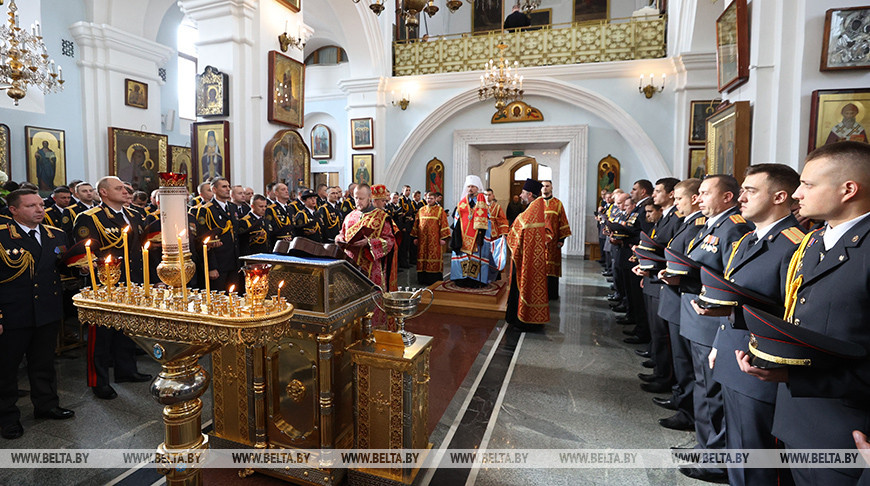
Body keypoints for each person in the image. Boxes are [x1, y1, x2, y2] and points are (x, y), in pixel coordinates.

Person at [737, 141, 870, 485]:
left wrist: (796, 377)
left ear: (848, 190)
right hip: (798, 417)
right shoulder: (813, 242)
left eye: (808, 185)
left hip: (848, 428)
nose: (797, 194)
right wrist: (770, 355)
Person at [690, 164, 802, 486]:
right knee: (738, 451)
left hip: (760, 366)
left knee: (759, 461)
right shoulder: (748, 240)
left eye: (750, 190)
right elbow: (734, 298)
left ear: (780, 196)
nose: (741, 197)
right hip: (732, 355)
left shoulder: (794, 244)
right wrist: (718, 344)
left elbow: (788, 314)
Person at [676, 174, 753, 482]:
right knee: (703, 387)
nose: (699, 198)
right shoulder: (712, 225)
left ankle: (714, 457)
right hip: (699, 317)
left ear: (727, 197)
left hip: (712, 321)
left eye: (706, 193)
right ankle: (703, 445)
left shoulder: (733, 227)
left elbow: (728, 278)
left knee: (711, 392)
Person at [0, 189, 74, 440]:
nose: (39, 210)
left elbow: (64, 267)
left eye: (41, 205)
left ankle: (46, 405)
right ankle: (7, 416)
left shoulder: (56, 234)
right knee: (6, 368)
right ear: (13, 210)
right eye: (31, 206)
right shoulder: (2, 237)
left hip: (46, 310)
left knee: (43, 363)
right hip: (12, 312)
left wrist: (84, 268)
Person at [74, 176, 151, 400]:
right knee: (101, 335)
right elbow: (86, 252)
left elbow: (141, 249)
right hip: (105, 283)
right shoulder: (90, 218)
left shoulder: (135, 215)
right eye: (119, 188)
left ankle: (126, 370)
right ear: (104, 192)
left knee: (127, 327)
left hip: (133, 278)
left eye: (126, 188)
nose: (126, 191)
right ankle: (99, 381)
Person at [653, 179, 705, 431]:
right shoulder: (689, 224)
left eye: (680, 199)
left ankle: (687, 411)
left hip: (686, 297)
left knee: (685, 361)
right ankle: (681, 399)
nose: (676, 203)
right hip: (677, 295)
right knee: (680, 357)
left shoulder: (698, 225)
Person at [634, 178, 682, 396]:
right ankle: (659, 370)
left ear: (670, 194)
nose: (653, 195)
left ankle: (665, 378)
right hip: (655, 276)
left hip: (664, 279)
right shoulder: (667, 216)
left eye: (658, 191)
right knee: (658, 331)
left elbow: (669, 249)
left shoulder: (676, 218)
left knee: (665, 335)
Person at [336, 184, 397, 325]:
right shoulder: (350, 216)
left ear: (370, 197)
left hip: (372, 268)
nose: (358, 202)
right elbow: (342, 233)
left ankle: (373, 331)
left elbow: (389, 241)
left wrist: (369, 243)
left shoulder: (382, 217)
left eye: (361, 198)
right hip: (350, 268)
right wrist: (338, 239)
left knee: (373, 303)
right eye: (356, 198)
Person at [505, 179, 553, 328]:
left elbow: (520, 230)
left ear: (530, 194)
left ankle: (525, 319)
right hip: (531, 255)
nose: (520, 195)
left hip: (529, 256)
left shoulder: (535, 209)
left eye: (523, 192)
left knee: (525, 284)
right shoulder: (535, 207)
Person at [450, 175, 505, 287]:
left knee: (477, 258)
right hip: (463, 236)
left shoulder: (482, 203)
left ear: (477, 188)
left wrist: (483, 235)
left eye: (473, 187)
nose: (470, 189)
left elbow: (488, 220)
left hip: (478, 237)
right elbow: (456, 220)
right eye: (469, 186)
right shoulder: (462, 203)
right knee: (463, 258)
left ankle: (476, 280)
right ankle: (461, 278)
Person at [190, 177, 240, 292]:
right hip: (219, 263)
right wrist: (211, 267)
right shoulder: (206, 210)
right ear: (214, 189)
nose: (228, 189)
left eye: (228, 186)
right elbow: (204, 240)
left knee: (234, 297)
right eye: (224, 187)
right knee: (219, 298)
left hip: (234, 261)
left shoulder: (232, 207)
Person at [540, 181, 571, 300]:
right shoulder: (536, 204)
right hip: (540, 243)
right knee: (540, 268)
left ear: (552, 187)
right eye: (543, 186)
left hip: (553, 243)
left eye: (547, 186)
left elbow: (563, 222)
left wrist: (561, 240)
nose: (545, 188)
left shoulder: (558, 204)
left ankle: (552, 294)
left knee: (552, 269)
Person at [412, 191, 450, 285]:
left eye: (431, 198)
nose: (429, 200)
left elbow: (444, 224)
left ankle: (434, 279)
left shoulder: (440, 210)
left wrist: (443, 238)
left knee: (434, 256)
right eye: (428, 198)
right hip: (422, 240)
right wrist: (415, 237)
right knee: (422, 257)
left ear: (435, 199)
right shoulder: (421, 210)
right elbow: (416, 224)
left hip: (435, 240)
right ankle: (422, 279)